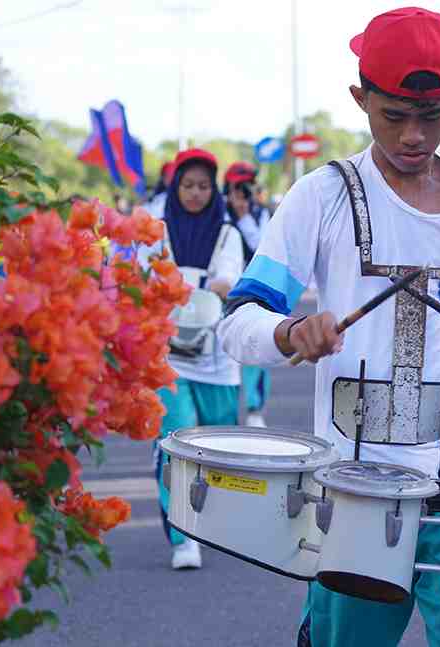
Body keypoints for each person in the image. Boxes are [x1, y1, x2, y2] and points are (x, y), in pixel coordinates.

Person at [218, 8, 440, 646]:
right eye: (393, 115)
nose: (413, 135)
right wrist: (292, 333)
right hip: (358, 489)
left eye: (432, 116)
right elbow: (238, 323)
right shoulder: (320, 197)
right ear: (361, 99)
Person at [138, 148, 245, 570]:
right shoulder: (157, 231)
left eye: (203, 186)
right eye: (188, 185)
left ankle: (208, 518)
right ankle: (182, 535)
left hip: (216, 356)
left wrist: (220, 283)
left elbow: (232, 275)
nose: (196, 193)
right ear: (175, 187)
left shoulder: (227, 233)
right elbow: (144, 275)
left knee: (217, 446)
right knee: (175, 444)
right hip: (169, 355)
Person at [223, 160, 274, 427]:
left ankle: (254, 408)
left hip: (253, 289)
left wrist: (244, 216)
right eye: (238, 186)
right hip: (224, 290)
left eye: (247, 185)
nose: (243, 191)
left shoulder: (259, 213)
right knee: (225, 347)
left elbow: (262, 247)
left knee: (255, 345)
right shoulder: (217, 211)